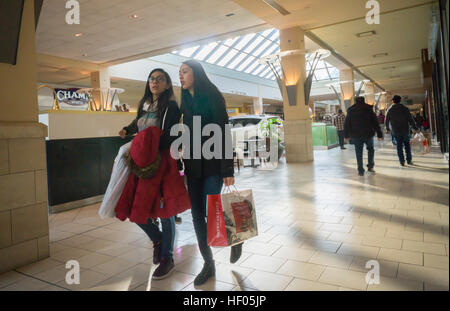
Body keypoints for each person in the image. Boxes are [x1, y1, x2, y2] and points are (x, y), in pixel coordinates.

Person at [179, 60, 238, 286]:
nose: (181, 76)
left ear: (197, 74)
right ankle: (208, 263)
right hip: (193, 167)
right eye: (180, 73)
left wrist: (228, 169)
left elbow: (223, 132)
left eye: (185, 72)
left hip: (213, 166)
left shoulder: (213, 96)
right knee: (196, 216)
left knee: (211, 210)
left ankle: (235, 238)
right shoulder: (186, 101)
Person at [119, 68, 182, 279]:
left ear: (167, 84)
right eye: (152, 79)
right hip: (143, 163)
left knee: (166, 212)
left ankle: (168, 258)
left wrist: (146, 144)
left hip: (163, 162)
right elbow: (138, 123)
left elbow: (170, 135)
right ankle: (158, 240)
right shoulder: (144, 103)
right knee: (136, 208)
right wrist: (128, 131)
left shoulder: (171, 106)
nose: (155, 82)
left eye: (160, 79)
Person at [344, 96, 383, 176]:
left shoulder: (351, 111)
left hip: (356, 135)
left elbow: (347, 124)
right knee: (371, 150)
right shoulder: (369, 109)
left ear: (355, 101)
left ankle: (360, 170)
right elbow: (375, 123)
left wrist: (346, 135)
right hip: (368, 134)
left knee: (359, 153)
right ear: (364, 101)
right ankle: (370, 167)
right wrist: (379, 134)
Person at [385, 95, 419, 166]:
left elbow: (387, 120)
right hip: (405, 130)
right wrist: (415, 128)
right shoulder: (405, 109)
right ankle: (409, 160)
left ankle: (402, 161)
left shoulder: (390, 109)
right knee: (407, 145)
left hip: (396, 131)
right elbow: (411, 120)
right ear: (400, 101)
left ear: (392, 101)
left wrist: (387, 128)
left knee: (399, 146)